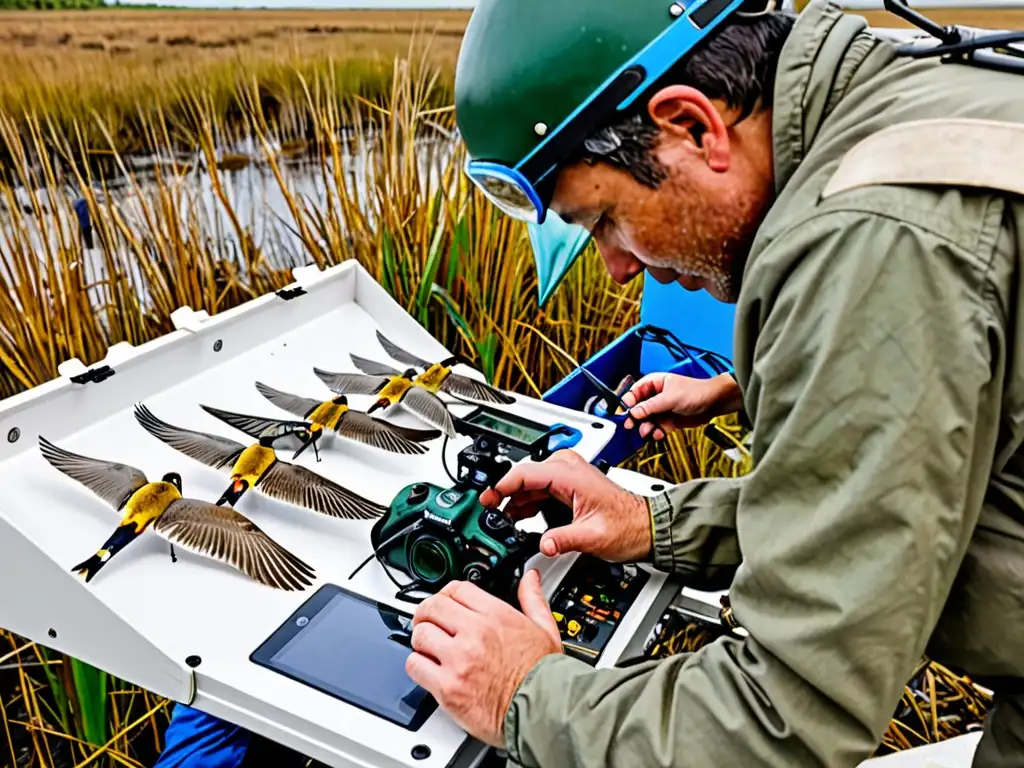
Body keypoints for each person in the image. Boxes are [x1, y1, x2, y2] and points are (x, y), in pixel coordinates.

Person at [401, 1, 1024, 766]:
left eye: (603, 220)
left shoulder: (870, 246)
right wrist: (653, 525)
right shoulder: (902, 93)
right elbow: (894, 497)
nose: (618, 266)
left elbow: (786, 714)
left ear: (693, 126)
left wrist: (524, 696)